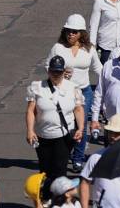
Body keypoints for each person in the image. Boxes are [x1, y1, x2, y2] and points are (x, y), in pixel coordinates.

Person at [26, 54, 86, 185]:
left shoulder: (73, 88)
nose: (56, 74)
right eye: (53, 71)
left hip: (63, 136)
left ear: (64, 71)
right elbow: (31, 110)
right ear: (48, 71)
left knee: (59, 170)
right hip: (43, 136)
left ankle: (59, 200)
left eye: (59, 71)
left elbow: (78, 109)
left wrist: (80, 128)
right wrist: (30, 131)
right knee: (45, 171)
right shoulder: (37, 87)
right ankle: (46, 199)